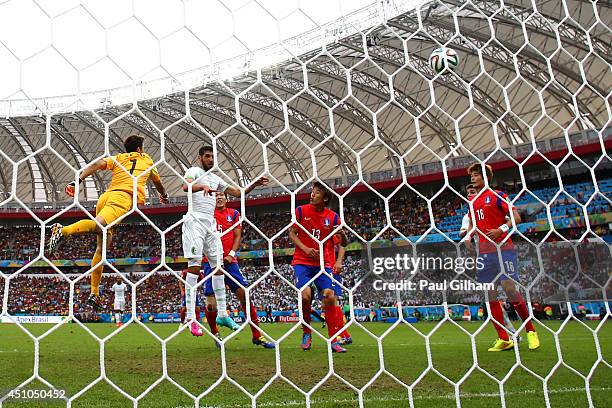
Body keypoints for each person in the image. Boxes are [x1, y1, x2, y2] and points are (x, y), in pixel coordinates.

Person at [48, 135, 168, 309]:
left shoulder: (119, 158)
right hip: (123, 197)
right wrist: (163, 196)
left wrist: (77, 181)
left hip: (105, 197)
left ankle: (94, 293)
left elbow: (97, 165)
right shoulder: (147, 160)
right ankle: (63, 230)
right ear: (140, 149)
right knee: (98, 226)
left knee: (102, 247)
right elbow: (158, 182)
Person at [181, 145, 268, 337]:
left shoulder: (216, 179)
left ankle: (222, 313)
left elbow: (239, 193)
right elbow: (185, 187)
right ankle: (190, 317)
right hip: (194, 222)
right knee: (194, 267)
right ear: (200, 158)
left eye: (213, 156)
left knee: (218, 265)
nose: (211, 159)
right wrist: (200, 186)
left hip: (209, 225)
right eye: (207, 156)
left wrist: (253, 184)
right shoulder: (194, 171)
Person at [465, 163, 539, 351]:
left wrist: (501, 229)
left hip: (503, 249)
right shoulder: (473, 203)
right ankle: (503, 338)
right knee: (490, 295)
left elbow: (516, 217)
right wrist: (469, 236)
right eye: (471, 175)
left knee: (509, 290)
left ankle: (531, 331)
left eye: (476, 175)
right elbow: (474, 225)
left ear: (485, 177)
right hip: (485, 253)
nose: (472, 178)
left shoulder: (498, 195)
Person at [202, 192, 274, 348]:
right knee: (210, 305)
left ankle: (257, 336)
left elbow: (237, 236)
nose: (219, 198)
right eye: (216, 196)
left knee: (245, 296)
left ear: (227, 199)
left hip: (230, 262)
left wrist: (231, 254)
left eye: (222, 195)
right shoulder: (207, 214)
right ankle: (216, 334)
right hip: (210, 263)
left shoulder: (234, 214)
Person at [289, 182, 348, 353]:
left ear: (325, 197)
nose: (312, 195)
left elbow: (343, 243)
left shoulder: (333, 217)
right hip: (302, 262)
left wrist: (343, 237)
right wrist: (306, 249)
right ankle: (306, 332)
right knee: (306, 296)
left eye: (316, 193)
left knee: (330, 296)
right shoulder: (301, 210)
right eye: (312, 192)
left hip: (323, 264)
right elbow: (291, 233)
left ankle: (333, 339)